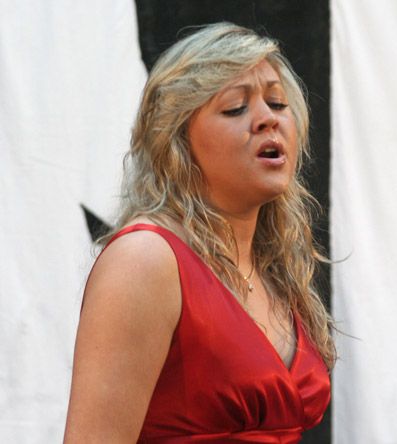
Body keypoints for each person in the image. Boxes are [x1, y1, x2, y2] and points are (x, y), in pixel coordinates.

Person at [64, 22, 335, 443]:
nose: (268, 119)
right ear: (177, 140)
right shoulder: (145, 259)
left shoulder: (270, 269)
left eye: (278, 103)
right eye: (235, 108)